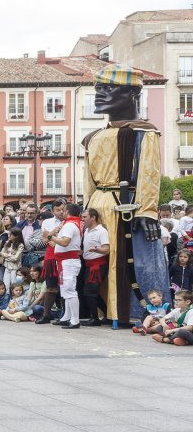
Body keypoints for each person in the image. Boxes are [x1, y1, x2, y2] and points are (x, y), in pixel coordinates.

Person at [84, 65, 165, 327]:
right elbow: (89, 182)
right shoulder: (93, 137)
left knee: (133, 261)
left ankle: (139, 312)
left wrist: (147, 210)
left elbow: (149, 172)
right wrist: (86, 213)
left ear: (131, 93)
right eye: (98, 88)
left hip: (128, 206)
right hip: (99, 207)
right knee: (99, 261)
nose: (99, 94)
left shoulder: (145, 132)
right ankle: (103, 311)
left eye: (108, 88)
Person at [49, 203, 85, 330]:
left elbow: (65, 242)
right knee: (65, 290)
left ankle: (75, 320)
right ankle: (67, 317)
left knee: (69, 290)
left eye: (64, 210)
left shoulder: (70, 224)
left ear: (68, 211)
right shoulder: (72, 223)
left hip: (68, 261)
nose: (62, 212)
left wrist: (51, 236)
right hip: (66, 261)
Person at [81, 207, 111, 326]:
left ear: (93, 218)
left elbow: (107, 249)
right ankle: (106, 314)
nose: (83, 219)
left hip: (97, 266)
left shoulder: (101, 231)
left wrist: (97, 249)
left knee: (90, 292)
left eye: (85, 217)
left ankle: (95, 318)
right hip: (89, 265)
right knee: (91, 292)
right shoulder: (86, 230)